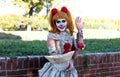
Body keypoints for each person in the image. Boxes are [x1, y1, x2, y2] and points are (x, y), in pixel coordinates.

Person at [38, 6, 85, 77]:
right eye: (58, 22)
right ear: (54, 23)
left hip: (69, 69)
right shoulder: (52, 36)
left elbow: (75, 56)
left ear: (67, 21)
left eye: (63, 21)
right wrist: (65, 64)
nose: (61, 24)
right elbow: (54, 56)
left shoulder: (70, 35)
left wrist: (80, 31)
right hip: (58, 70)